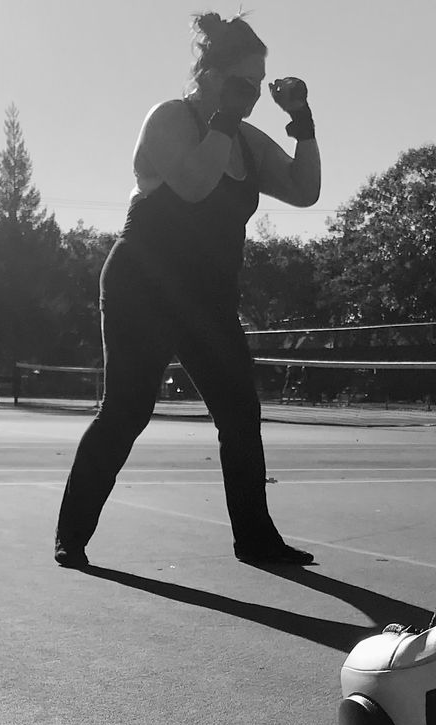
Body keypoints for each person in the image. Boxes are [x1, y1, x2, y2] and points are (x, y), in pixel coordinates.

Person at [53, 12, 321, 569]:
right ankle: (71, 536)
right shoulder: (170, 119)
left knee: (241, 414)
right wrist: (224, 115)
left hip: (208, 296)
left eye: (259, 83)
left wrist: (303, 122)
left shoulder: (247, 140)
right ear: (211, 75)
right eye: (243, 81)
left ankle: (255, 537)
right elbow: (195, 186)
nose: (252, 93)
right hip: (143, 284)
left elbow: (305, 190)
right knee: (127, 411)